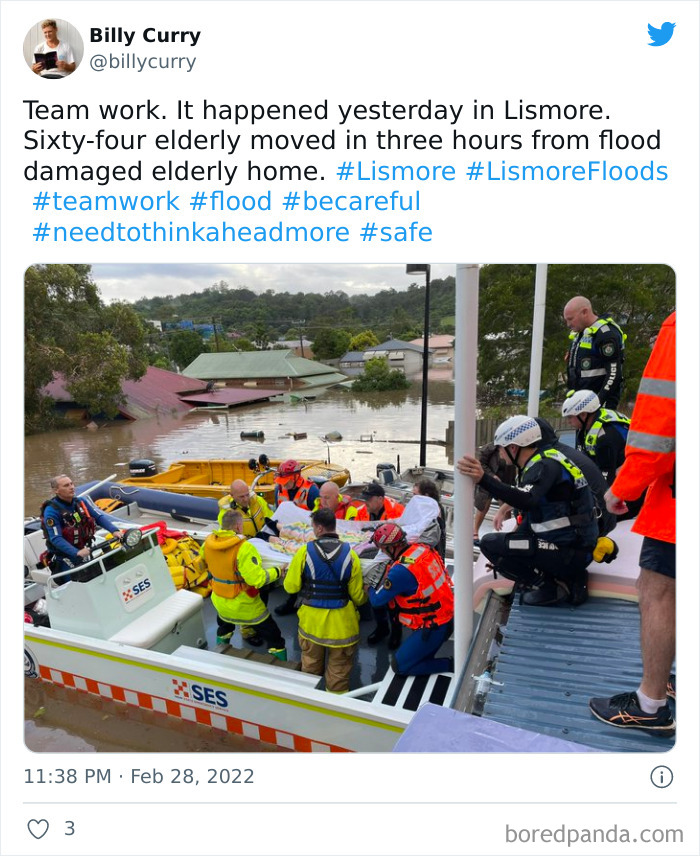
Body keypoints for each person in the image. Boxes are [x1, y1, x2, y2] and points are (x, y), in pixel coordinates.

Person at [589, 312, 676, 735]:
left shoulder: (682, 328)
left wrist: (622, 490)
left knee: (656, 590)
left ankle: (651, 703)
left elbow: (658, 428)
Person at [457, 415, 599, 607]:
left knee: (490, 544)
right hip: (576, 546)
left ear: (513, 448)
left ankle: (550, 587)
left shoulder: (543, 466)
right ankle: (569, 575)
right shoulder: (548, 457)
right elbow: (536, 511)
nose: (499, 453)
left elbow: (527, 500)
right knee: (506, 547)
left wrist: (484, 479)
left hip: (570, 552)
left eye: (501, 448)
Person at [283, 508, 367, 693]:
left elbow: (291, 587)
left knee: (310, 667)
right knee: (339, 673)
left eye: (313, 527)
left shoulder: (304, 552)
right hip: (342, 629)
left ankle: (310, 700)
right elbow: (359, 598)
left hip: (311, 625)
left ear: (320, 528)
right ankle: (335, 703)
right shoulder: (351, 554)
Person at [369, 523, 454, 676]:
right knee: (418, 656)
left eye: (383, 548)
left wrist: (367, 586)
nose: (382, 552)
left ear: (392, 547)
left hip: (433, 627)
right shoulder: (422, 548)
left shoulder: (400, 571)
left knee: (400, 667)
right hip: (447, 616)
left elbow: (377, 600)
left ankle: (450, 665)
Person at [201, 510, 287, 657]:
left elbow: (203, 563)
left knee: (224, 628)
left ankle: (219, 656)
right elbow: (257, 579)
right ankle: (282, 668)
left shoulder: (208, 544)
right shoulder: (244, 548)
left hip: (221, 603)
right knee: (275, 638)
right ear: (239, 527)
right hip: (245, 606)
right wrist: (278, 571)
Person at [40, 474, 122, 576]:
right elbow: (56, 538)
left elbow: (98, 517)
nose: (71, 487)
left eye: (72, 484)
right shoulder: (51, 511)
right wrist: (76, 552)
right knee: (79, 579)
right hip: (65, 556)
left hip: (85, 549)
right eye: (66, 485)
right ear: (56, 490)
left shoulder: (80, 502)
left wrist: (114, 530)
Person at [563, 296, 626, 409]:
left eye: (571, 319)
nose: (568, 324)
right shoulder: (580, 334)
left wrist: (598, 401)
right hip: (580, 403)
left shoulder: (606, 333)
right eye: (566, 320)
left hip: (599, 404)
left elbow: (614, 374)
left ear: (585, 312)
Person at [472, 442, 517, 545]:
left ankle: (506, 533)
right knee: (483, 507)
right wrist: (491, 476)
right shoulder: (489, 448)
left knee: (506, 509)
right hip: (489, 481)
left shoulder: (513, 449)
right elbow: (480, 463)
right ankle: (475, 532)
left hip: (505, 481)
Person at [412, 477, 447, 560]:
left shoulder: (431, 513)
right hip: (435, 557)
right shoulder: (437, 507)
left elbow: (428, 540)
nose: (413, 499)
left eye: (415, 495)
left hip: (428, 558)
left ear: (426, 496)